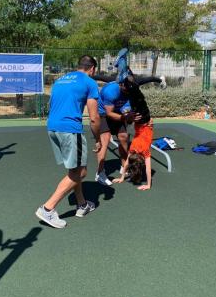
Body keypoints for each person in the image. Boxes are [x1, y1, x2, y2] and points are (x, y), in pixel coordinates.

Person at [36, 55, 101, 229]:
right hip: (70, 129)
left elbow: (52, 104)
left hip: (53, 127)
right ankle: (47, 208)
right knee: (80, 172)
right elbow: (94, 118)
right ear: (92, 69)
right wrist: (98, 139)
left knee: (74, 169)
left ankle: (82, 205)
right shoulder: (89, 82)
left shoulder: (61, 80)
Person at [111, 50, 154, 191]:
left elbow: (143, 168)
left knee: (134, 93)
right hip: (142, 120)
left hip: (144, 119)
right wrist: (122, 177)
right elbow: (126, 164)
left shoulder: (145, 152)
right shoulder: (133, 149)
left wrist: (148, 184)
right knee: (133, 92)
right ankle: (122, 67)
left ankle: (122, 66)